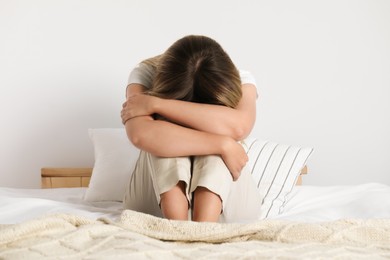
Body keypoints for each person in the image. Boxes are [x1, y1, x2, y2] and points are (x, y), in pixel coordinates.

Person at [121, 35, 261, 223]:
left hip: (229, 207)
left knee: (211, 143)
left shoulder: (241, 79)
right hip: (153, 207)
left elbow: (239, 127)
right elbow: (140, 134)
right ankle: (181, 228)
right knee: (162, 140)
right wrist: (222, 144)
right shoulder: (145, 73)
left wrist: (156, 104)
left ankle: (202, 229)